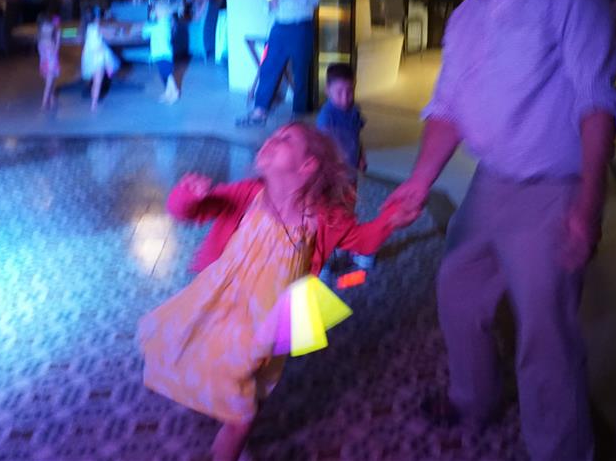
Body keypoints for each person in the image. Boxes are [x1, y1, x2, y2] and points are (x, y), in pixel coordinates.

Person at [383, 0, 616, 461]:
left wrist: (588, 204)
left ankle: (561, 450)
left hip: (551, 190)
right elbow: (447, 108)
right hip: (491, 184)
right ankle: (475, 398)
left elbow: (597, 102)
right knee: (458, 290)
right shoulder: (465, 17)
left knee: (545, 332)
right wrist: (418, 181)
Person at [138, 123, 415, 461]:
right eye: (273, 135)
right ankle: (220, 406)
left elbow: (363, 240)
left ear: (307, 165)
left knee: (244, 403)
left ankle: (228, 433)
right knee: (210, 361)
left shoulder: (324, 219)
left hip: (267, 323)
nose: (271, 139)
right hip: (219, 302)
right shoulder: (248, 194)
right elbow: (191, 211)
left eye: (285, 139)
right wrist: (186, 195)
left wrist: (390, 220)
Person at [237, 0, 320, 126]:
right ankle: (260, 110)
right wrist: (269, 2)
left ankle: (298, 114)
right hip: (279, 25)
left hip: (300, 25)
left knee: (300, 71)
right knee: (268, 67)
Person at [316, 63, 374, 277]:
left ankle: (348, 246)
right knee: (329, 217)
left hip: (350, 175)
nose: (345, 97)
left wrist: (361, 156)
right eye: (339, 92)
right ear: (327, 90)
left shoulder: (354, 110)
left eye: (350, 91)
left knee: (348, 212)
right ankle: (321, 259)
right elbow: (321, 147)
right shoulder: (327, 117)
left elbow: (357, 137)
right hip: (331, 178)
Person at [80, 7, 120, 112]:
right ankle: (94, 104)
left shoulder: (85, 29)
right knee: (97, 82)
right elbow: (110, 35)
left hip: (89, 57)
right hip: (98, 57)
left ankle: (94, 101)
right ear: (95, 19)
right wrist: (114, 30)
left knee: (95, 82)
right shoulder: (97, 28)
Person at [140, 0, 179, 104]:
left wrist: (150, 19)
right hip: (161, 54)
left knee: (168, 75)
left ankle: (174, 92)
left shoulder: (161, 25)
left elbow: (145, 32)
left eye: (156, 10)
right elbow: (146, 34)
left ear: (162, 12)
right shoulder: (164, 23)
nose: (154, 11)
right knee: (164, 75)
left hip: (163, 54)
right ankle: (168, 92)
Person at [37, 12, 61, 110]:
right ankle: (50, 100)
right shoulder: (44, 40)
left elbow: (54, 51)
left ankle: (45, 103)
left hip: (49, 65)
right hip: (47, 64)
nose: (48, 28)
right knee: (49, 83)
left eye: (49, 26)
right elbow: (54, 51)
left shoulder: (43, 40)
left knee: (49, 84)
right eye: (46, 26)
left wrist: (57, 37)